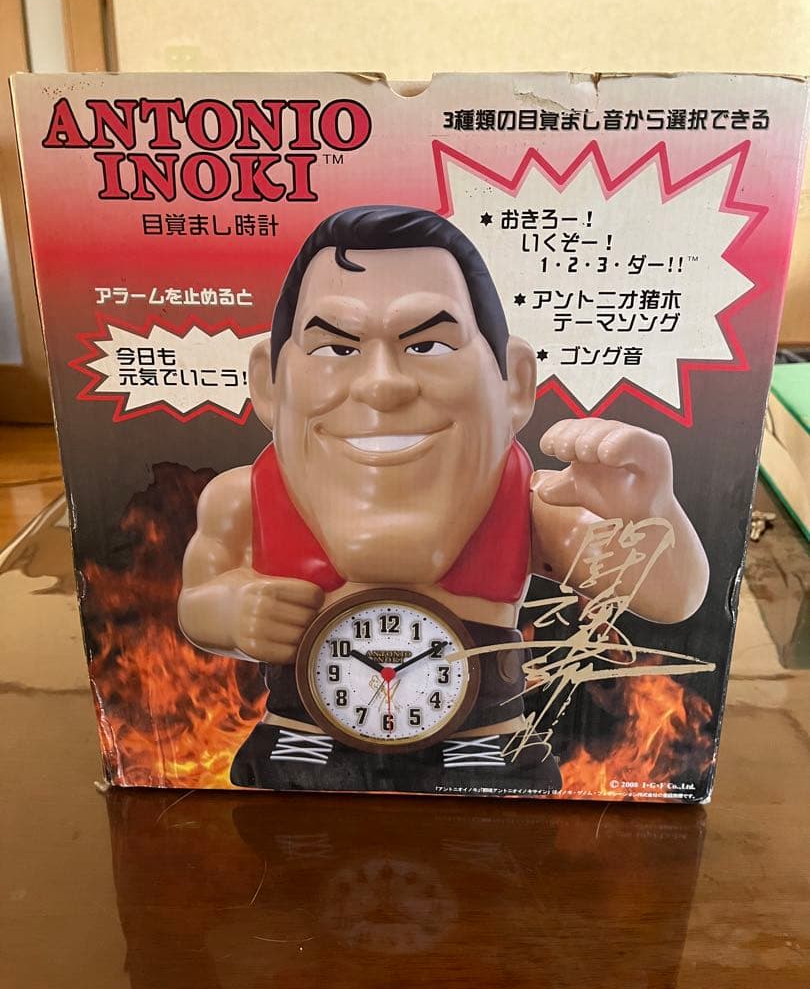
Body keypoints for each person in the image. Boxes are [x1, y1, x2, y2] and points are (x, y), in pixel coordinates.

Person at [178, 205, 710, 793]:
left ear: (514, 382)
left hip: (478, 744)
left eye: (428, 344)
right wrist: (231, 611)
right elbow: (196, 601)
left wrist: (652, 517)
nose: (382, 385)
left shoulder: (535, 503)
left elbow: (668, 598)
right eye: (337, 348)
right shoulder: (243, 500)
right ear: (268, 383)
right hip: (305, 738)